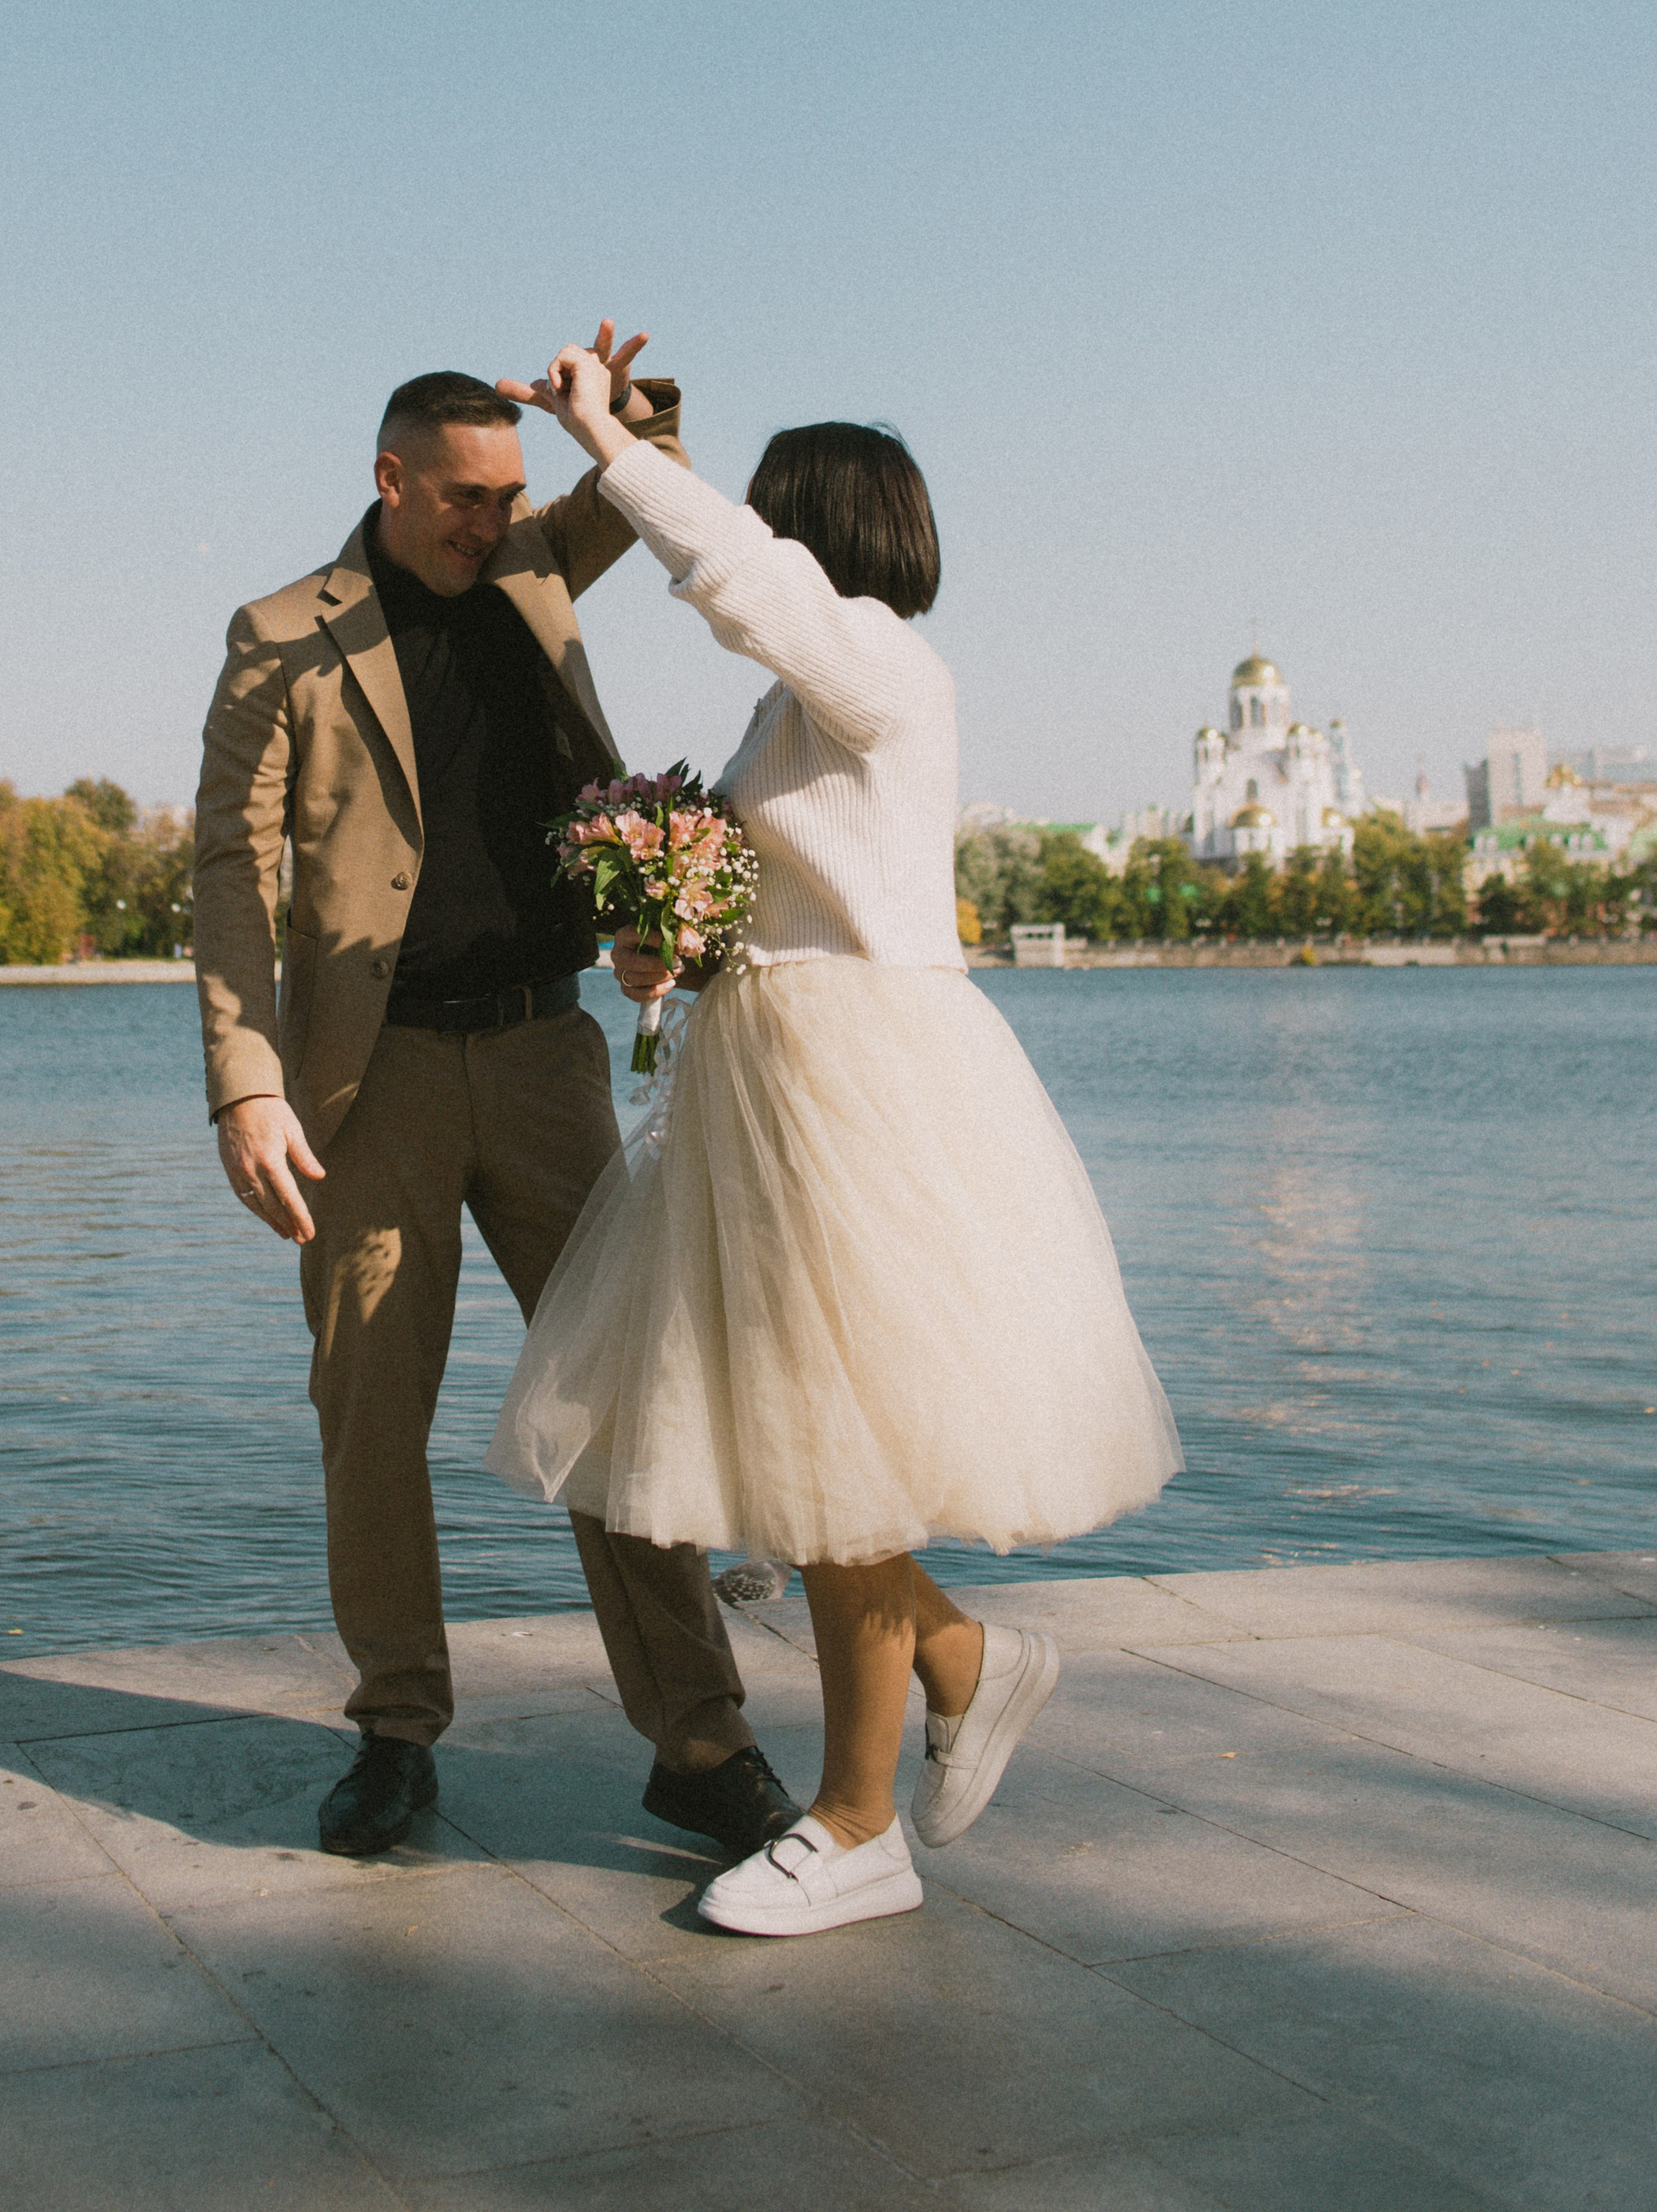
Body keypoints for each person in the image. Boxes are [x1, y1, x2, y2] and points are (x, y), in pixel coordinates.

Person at [491, 349, 1182, 1936]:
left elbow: (730, 574)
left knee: (835, 1454)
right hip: (759, 1076)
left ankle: (859, 1822)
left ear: (813, 531)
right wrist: (673, 932)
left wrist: (605, 441)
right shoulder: (795, 703)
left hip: (851, 1083)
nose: (752, 531)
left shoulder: (875, 666)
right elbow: (773, 889)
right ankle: (959, 1657)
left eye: (772, 512)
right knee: (799, 1443)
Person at [192, 330, 795, 1862]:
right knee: (370, 1409)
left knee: (622, 1389)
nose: (489, 519)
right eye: (461, 495)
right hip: (367, 1076)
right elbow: (227, 868)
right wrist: (244, 1081)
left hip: (544, 1053)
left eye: (506, 491)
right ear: (390, 482)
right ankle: (396, 1728)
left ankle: (699, 1737)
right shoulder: (280, 633)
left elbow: (633, 480)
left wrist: (625, 408)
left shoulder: (535, 562)